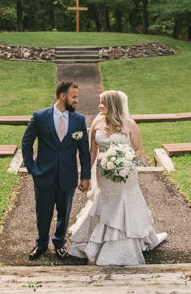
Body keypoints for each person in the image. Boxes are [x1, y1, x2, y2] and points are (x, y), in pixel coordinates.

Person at [67, 90, 167, 265]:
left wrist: (125, 163)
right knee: (105, 203)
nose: (99, 106)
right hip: (103, 175)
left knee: (123, 203)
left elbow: (138, 149)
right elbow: (92, 151)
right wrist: (84, 175)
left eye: (102, 102)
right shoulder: (97, 122)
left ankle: (123, 244)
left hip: (125, 176)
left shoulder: (130, 124)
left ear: (112, 104)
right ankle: (98, 241)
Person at [22, 80, 91, 261]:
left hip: (67, 177)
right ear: (62, 96)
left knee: (64, 212)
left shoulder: (79, 120)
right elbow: (26, 143)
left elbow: (84, 150)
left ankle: (59, 243)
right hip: (43, 175)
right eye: (73, 97)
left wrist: (85, 176)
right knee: (43, 213)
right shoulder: (39, 116)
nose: (76, 100)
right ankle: (42, 243)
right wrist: (31, 168)